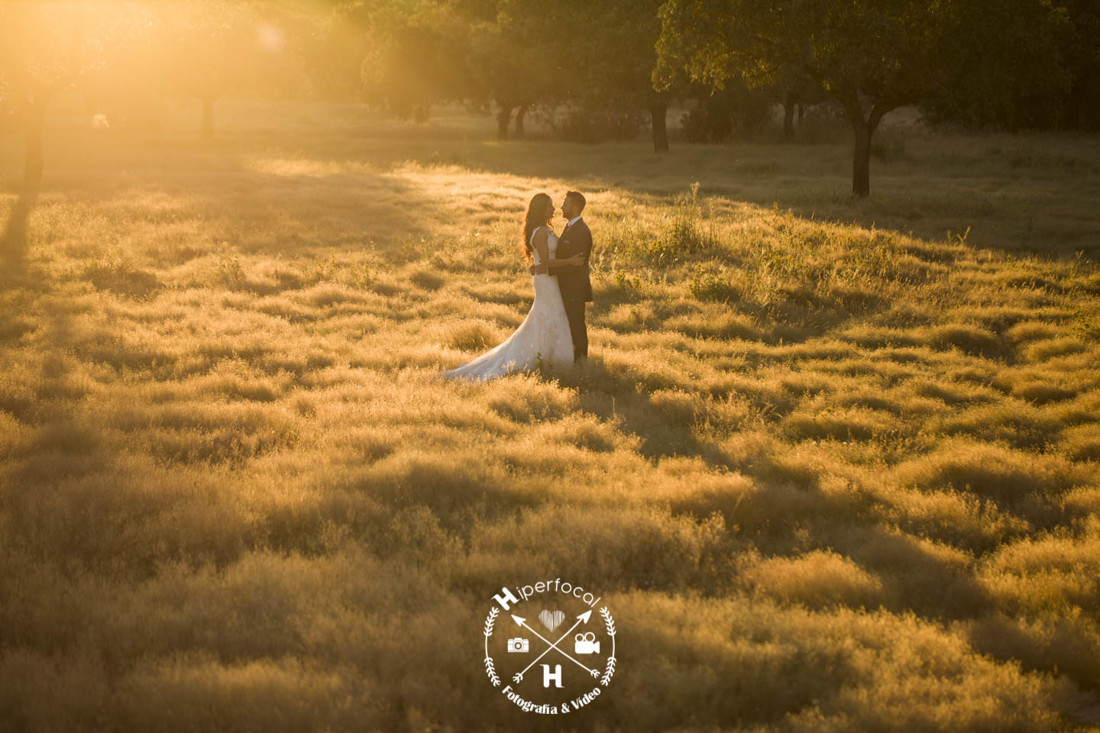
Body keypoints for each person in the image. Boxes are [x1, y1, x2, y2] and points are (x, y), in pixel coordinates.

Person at [443, 193, 586, 381]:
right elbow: (546, 261)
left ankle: (552, 357)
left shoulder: (545, 230)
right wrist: (571, 261)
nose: (554, 209)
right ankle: (547, 358)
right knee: (552, 316)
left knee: (549, 317)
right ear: (541, 210)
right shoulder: (541, 232)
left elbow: (542, 262)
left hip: (549, 280)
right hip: (546, 282)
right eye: (550, 206)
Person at [531, 191, 592, 363]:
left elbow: (576, 264)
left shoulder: (581, 231)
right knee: (566, 325)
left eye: (565, 204)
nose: (560, 207)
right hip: (560, 286)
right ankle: (564, 359)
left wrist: (545, 268)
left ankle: (581, 363)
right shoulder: (570, 227)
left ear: (575, 207)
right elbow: (561, 258)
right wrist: (540, 266)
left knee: (577, 326)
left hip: (574, 288)